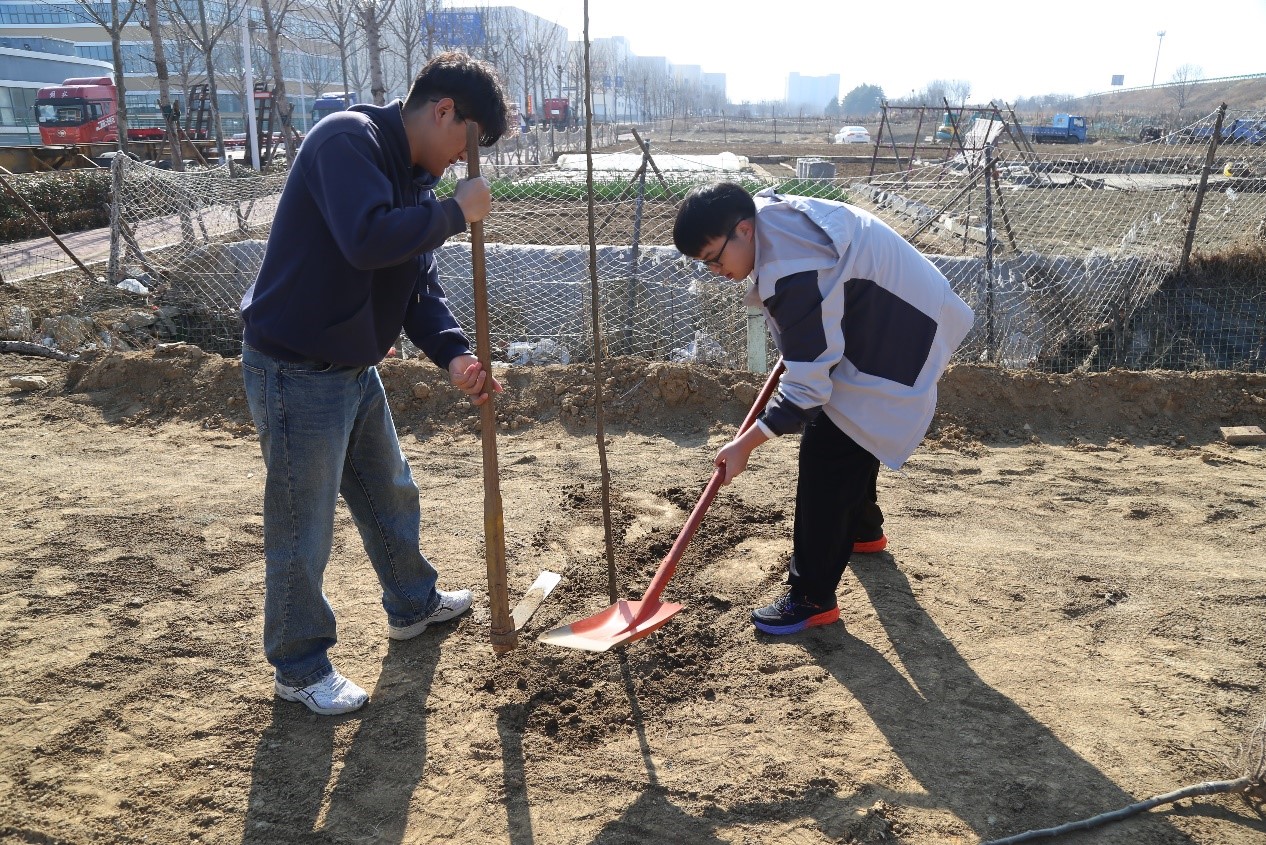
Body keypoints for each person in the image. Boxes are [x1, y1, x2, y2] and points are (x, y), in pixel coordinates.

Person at [239, 52, 511, 715]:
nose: (462, 160)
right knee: (303, 526)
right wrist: (455, 212)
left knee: (390, 491)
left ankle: (413, 603)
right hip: (295, 369)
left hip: (351, 368)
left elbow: (418, 288)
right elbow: (366, 239)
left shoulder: (415, 180)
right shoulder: (347, 142)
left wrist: (454, 357)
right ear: (444, 111)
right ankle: (300, 666)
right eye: (467, 143)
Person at [672, 182, 973, 635]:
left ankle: (811, 597)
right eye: (705, 264)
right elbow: (812, 323)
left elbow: (806, 392)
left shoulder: (791, 269)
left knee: (829, 448)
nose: (716, 271)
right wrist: (804, 342)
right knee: (854, 428)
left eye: (715, 258)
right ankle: (862, 531)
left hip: (901, 327)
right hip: (894, 307)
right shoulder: (767, 220)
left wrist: (745, 445)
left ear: (744, 230)